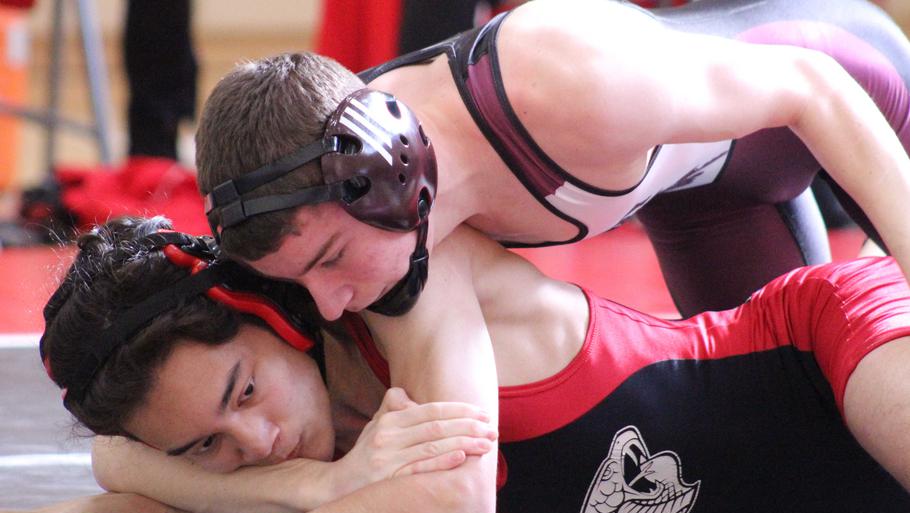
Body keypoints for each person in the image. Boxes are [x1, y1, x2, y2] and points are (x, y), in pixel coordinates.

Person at [21, 216, 910, 513]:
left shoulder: (403, 288)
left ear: (275, 312)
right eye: (205, 447)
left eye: (244, 391)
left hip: (824, 356)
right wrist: (302, 487)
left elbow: (454, 503)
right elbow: (118, 480)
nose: (251, 442)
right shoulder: (319, 459)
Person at [197, 0, 910, 321]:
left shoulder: (562, 76)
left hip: (853, 84)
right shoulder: (336, 188)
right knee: (799, 438)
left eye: (326, 261)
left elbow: (815, 89)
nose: (329, 304)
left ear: (386, 167)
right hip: (707, 198)